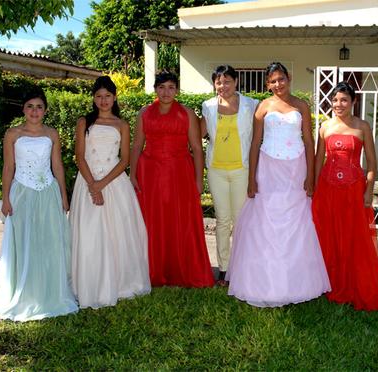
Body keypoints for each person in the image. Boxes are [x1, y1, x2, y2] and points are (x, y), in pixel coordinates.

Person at [226, 62, 330, 307]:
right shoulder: (263, 107)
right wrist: (252, 178)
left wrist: (311, 176)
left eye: (281, 79)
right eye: (272, 81)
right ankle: (264, 283)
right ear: (267, 84)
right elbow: (254, 144)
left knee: (297, 222)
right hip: (269, 168)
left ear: (288, 78)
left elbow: (308, 142)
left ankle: (296, 283)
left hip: (296, 170)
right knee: (266, 222)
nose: (278, 84)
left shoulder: (302, 106)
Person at [0, 89, 78, 321]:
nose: (34, 111)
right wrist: (6, 198)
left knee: (48, 241)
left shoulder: (52, 133)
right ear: (23, 109)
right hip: (22, 193)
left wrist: (64, 195)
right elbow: (8, 168)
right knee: (24, 240)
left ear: (45, 110)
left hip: (48, 193)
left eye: (39, 107)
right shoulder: (13, 134)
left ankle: (48, 291)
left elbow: (57, 166)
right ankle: (24, 291)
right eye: (30, 106)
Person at [70, 76, 151, 309]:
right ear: (93, 99)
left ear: (114, 97)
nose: (103, 100)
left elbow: (125, 159)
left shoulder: (122, 125)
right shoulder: (84, 122)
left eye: (107, 96)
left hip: (114, 183)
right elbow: (79, 156)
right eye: (98, 96)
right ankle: (88, 283)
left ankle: (121, 282)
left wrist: (101, 184)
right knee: (89, 233)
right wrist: (91, 184)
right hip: (87, 180)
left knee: (119, 233)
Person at [130, 72, 214, 287]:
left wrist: (198, 180)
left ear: (177, 90)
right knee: (153, 220)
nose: (166, 92)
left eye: (170, 87)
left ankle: (182, 269)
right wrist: (132, 174)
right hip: (150, 172)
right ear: (155, 89)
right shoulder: (144, 113)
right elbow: (137, 145)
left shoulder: (186, 113)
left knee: (181, 219)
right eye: (161, 87)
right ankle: (153, 270)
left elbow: (196, 148)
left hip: (180, 172)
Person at [312, 81, 378, 311]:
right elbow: (319, 161)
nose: (338, 104)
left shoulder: (363, 126)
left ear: (353, 102)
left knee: (354, 239)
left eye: (344, 100)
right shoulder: (324, 127)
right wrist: (315, 189)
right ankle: (328, 285)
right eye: (335, 100)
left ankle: (354, 286)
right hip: (327, 190)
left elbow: (372, 163)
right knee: (329, 237)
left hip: (353, 190)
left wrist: (368, 191)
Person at [200, 65, 259, 286]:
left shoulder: (251, 105)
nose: (222, 86)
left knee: (241, 220)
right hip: (216, 170)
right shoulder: (207, 106)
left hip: (241, 170)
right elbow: (196, 135)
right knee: (222, 221)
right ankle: (224, 270)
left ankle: (242, 267)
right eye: (218, 81)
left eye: (227, 81)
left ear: (236, 82)